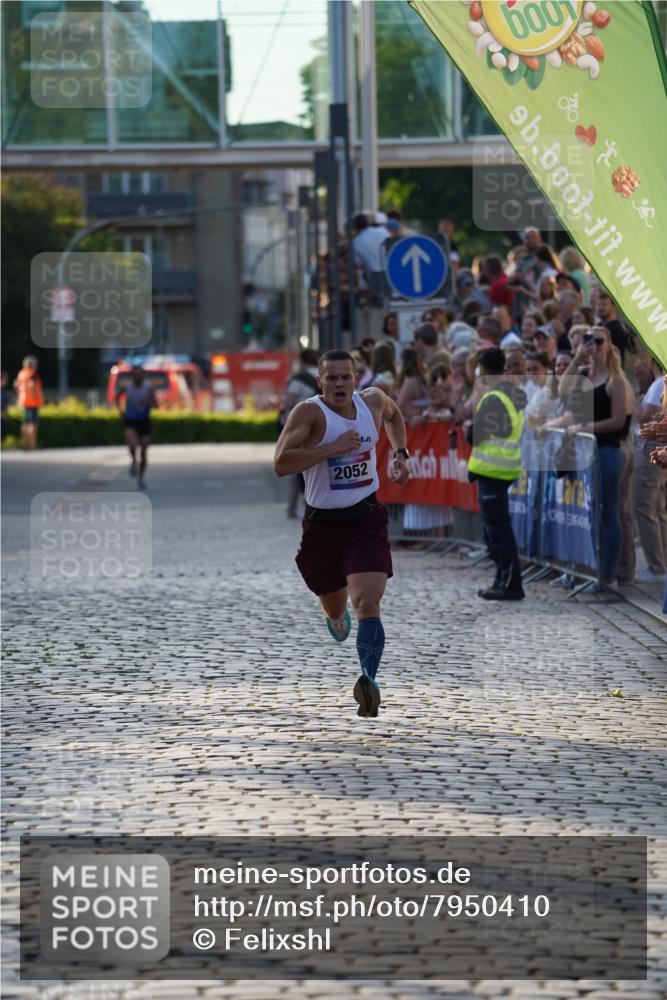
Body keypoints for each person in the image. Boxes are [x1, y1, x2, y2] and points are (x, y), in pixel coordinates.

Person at [273, 349, 410, 719]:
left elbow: (396, 417)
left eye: (345, 377)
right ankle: (335, 617)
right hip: (322, 526)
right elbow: (281, 463)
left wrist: (401, 453)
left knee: (367, 602)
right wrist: (331, 448)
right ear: (320, 382)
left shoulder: (374, 402)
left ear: (355, 379)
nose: (338, 384)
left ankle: (369, 680)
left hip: (365, 519)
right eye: (330, 378)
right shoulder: (309, 413)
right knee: (337, 608)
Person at [560, 328, 633, 589]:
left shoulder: (616, 381)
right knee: (589, 512)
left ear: (609, 345)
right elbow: (563, 388)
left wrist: (584, 427)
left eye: (599, 341)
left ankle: (608, 575)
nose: (593, 345)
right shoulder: (583, 375)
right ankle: (592, 570)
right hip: (586, 453)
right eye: (588, 340)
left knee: (609, 512)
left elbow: (616, 421)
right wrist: (577, 358)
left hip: (608, 452)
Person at [467, 348, 526, 600]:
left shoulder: (493, 398)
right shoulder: (510, 393)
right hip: (502, 469)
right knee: (496, 530)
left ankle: (511, 583)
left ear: (483, 369)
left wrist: (473, 419)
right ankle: (502, 579)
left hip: (493, 470)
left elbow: (474, 436)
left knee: (498, 531)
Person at [632, 362, 667, 582]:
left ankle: (656, 566)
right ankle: (661, 563)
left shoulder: (658, 385)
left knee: (644, 507)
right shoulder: (656, 385)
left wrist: (632, 401)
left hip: (650, 449)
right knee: (658, 508)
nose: (637, 369)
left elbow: (645, 417)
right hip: (655, 447)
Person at [279, 349, 321, 518]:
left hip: (300, 428)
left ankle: (293, 506)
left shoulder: (298, 379)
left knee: (296, 464)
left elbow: (288, 401)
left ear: (302, 361)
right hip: (322, 426)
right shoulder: (326, 376)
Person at [115, 365, 157, 490]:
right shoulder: (126, 388)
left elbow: (156, 404)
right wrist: (121, 410)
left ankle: (141, 478)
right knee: (132, 445)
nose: (138, 376)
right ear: (132, 375)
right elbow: (117, 397)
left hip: (144, 422)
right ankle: (133, 461)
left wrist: (148, 402)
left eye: (140, 374)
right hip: (130, 421)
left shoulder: (148, 388)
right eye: (136, 374)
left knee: (144, 452)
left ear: (143, 375)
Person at [14, 355, 44, 450]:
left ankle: (24, 444)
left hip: (23, 402)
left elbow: (15, 384)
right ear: (33, 364)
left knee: (25, 424)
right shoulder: (33, 375)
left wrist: (20, 396)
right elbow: (33, 387)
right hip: (32, 403)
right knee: (33, 425)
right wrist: (37, 398)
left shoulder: (21, 374)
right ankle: (32, 445)